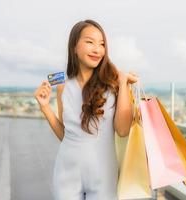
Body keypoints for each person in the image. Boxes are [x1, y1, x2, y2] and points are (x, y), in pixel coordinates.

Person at [34, 19, 139, 200]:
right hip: (66, 173)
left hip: (103, 175)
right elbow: (67, 135)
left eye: (102, 44)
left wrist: (123, 82)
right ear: (74, 46)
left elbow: (122, 130)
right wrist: (45, 108)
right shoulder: (62, 87)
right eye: (90, 42)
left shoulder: (114, 85)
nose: (97, 49)